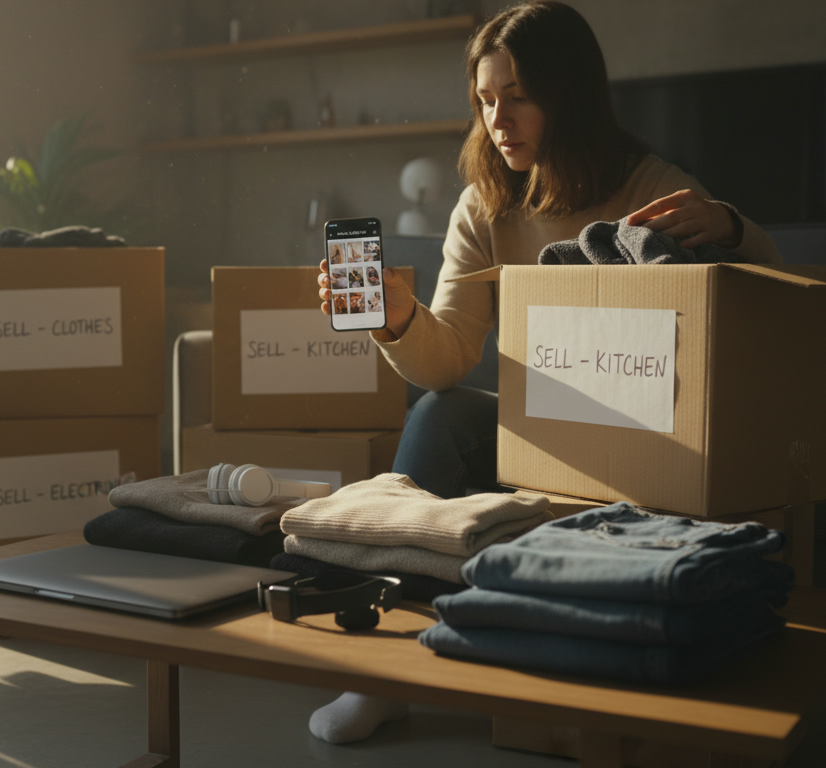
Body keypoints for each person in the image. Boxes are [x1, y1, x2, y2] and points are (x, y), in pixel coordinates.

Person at [310, 0, 781, 745]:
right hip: (536, 429)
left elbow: (775, 294)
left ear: (569, 95)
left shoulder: (647, 185)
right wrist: (394, 318)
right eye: (485, 100)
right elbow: (448, 360)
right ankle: (384, 672)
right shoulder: (484, 204)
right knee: (440, 413)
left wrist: (728, 225)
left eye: (518, 96)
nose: (498, 120)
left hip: (643, 433)